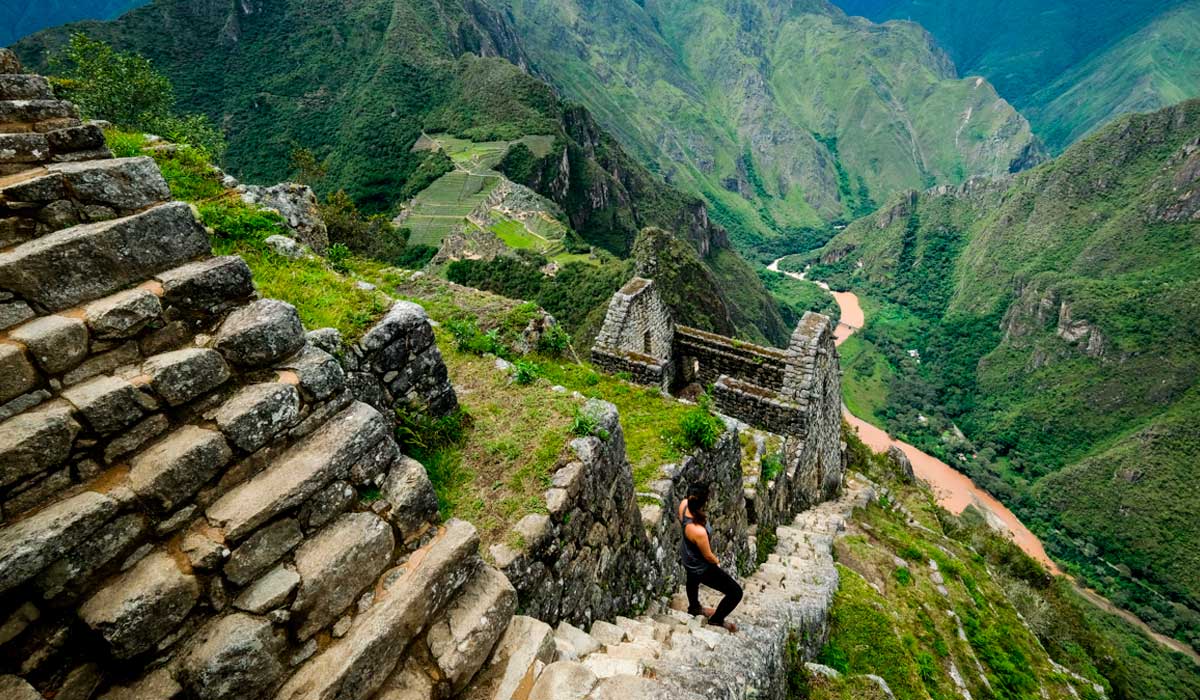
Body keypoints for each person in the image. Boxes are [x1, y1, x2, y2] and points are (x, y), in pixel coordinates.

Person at [678, 482, 743, 632]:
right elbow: (707, 555)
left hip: (688, 556)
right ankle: (716, 619)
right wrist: (717, 562)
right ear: (704, 502)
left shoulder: (683, 505)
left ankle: (694, 608)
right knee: (735, 592)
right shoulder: (698, 531)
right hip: (702, 566)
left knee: (691, 579)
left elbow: (683, 523)